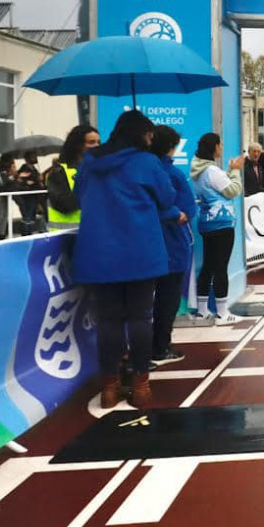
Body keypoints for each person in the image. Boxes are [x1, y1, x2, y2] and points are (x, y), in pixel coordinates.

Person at [71, 110, 177, 409]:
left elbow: (79, 197)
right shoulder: (147, 162)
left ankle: (109, 388)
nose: (150, 138)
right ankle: (141, 386)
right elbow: (166, 199)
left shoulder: (91, 161)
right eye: (148, 134)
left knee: (109, 320)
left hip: (98, 252)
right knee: (141, 318)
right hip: (140, 250)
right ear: (140, 134)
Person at [150, 125, 196, 364]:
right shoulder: (173, 174)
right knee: (167, 298)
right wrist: (174, 214)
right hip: (172, 244)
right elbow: (188, 208)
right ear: (172, 147)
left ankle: (144, 348)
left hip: (143, 244)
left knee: (142, 301)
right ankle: (160, 346)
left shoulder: (138, 171)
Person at [191, 132, 244, 322]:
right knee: (221, 267)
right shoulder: (212, 170)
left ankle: (202, 310)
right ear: (214, 147)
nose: (222, 148)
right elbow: (232, 190)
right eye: (220, 144)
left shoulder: (198, 169)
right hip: (222, 223)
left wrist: (229, 171)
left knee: (208, 266)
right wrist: (236, 171)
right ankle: (223, 312)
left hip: (206, 222)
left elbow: (218, 188)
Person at [46, 125, 101, 231]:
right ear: (78, 145)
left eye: (98, 142)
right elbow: (65, 205)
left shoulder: (97, 169)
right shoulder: (59, 172)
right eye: (91, 142)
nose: (96, 145)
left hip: (93, 234)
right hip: (65, 237)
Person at [14, 151, 46, 235]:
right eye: (31, 156)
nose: (34, 158)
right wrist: (32, 181)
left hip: (34, 196)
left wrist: (40, 180)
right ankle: (25, 233)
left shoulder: (34, 169)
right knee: (27, 215)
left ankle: (29, 231)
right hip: (27, 196)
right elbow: (21, 179)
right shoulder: (24, 168)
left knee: (32, 215)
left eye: (34, 156)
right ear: (26, 159)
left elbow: (36, 180)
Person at [0, 153, 16, 239]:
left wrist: (13, 174)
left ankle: (1, 233)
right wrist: (10, 177)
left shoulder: (8, 168)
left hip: (6, 192)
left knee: (5, 213)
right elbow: (1, 182)